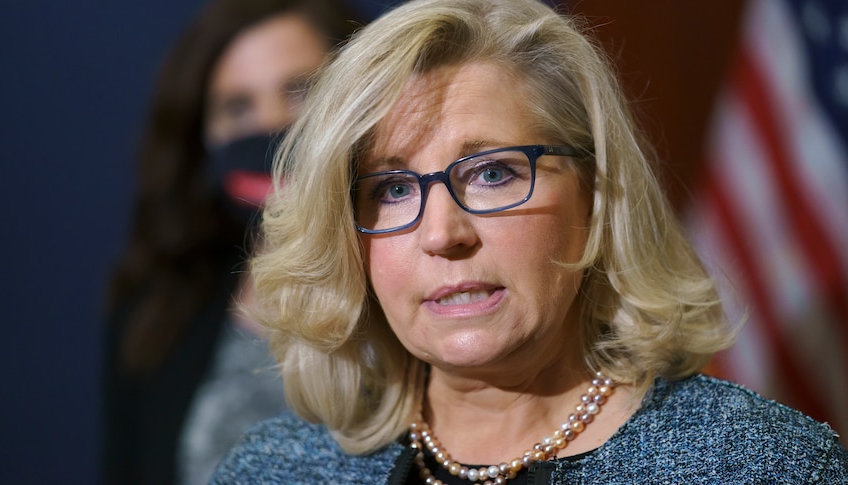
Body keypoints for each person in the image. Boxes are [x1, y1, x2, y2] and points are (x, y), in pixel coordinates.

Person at [211, 0, 848, 483]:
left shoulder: (754, 464)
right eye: (392, 189)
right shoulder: (277, 468)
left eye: (493, 174)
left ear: (595, 195)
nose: (443, 234)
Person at [101, 1, 361, 484]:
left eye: (300, 91)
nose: (272, 129)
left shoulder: (425, 285)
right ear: (201, 136)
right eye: (237, 107)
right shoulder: (154, 313)